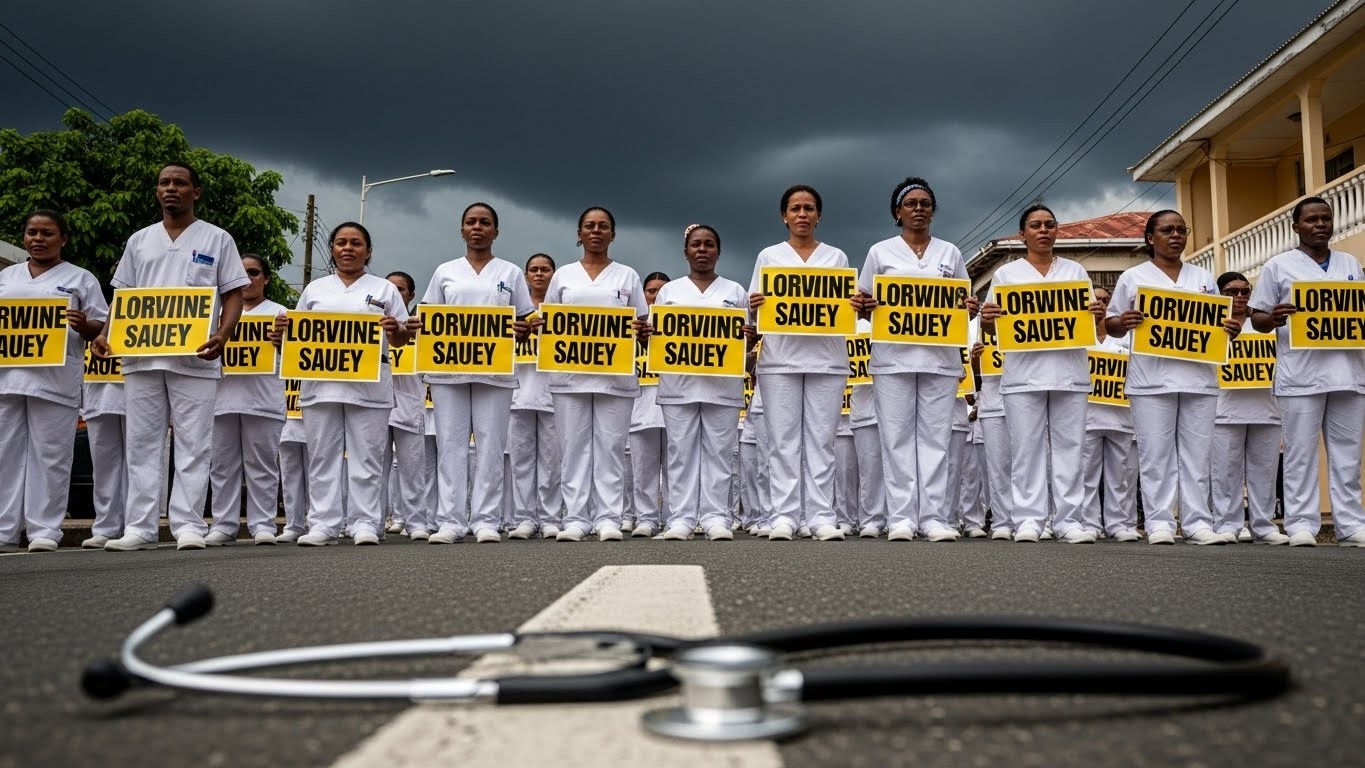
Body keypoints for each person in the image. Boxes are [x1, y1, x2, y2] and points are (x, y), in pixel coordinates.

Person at [94, 163, 249, 551]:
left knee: (194, 444)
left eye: (180, 183)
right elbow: (123, 296)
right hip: (142, 357)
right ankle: (140, 528)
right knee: (142, 444)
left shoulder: (217, 238)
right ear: (156, 191)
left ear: (195, 192)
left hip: (195, 359)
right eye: (164, 183)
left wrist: (223, 334)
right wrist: (105, 333)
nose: (171, 188)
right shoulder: (139, 240)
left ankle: (188, 525)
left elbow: (233, 293)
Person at [855, 177, 978, 542]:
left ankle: (934, 518)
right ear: (898, 212)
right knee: (896, 440)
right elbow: (862, 304)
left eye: (925, 204)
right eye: (911, 204)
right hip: (893, 361)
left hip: (939, 361)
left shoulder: (950, 253)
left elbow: (963, 303)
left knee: (935, 440)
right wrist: (866, 305)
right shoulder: (880, 252)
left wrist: (969, 308)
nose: (919, 209)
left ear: (933, 211)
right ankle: (902, 518)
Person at [1107, 210, 1239, 545]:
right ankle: (1160, 523)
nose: (1176, 235)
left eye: (1181, 229)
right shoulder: (1132, 278)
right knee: (1156, 455)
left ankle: (1197, 523)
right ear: (1151, 238)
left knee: (1198, 457)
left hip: (1199, 380)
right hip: (1151, 381)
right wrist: (1124, 321)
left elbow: (1217, 325)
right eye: (1167, 230)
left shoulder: (1204, 277)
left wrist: (1230, 329)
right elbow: (1111, 324)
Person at [278, 222, 410, 546]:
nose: (348, 248)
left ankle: (365, 523)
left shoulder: (385, 289)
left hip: (369, 388)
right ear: (332, 249)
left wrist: (395, 330)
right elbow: (294, 339)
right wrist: (280, 334)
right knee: (322, 457)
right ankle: (323, 524)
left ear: (368, 251)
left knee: (367, 458)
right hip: (321, 387)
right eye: (341, 243)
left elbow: (402, 338)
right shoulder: (315, 290)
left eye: (355, 243)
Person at [980, 205, 1105, 543]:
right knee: (1026, 451)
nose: (1043, 230)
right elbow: (991, 329)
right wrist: (988, 320)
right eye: (1035, 225)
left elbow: (1090, 323)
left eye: (1050, 224)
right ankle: (1029, 520)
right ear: (1023, 234)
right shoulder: (1007, 275)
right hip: (1023, 376)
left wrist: (1096, 313)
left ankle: (1069, 521)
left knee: (1070, 449)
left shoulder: (1075, 271)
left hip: (1069, 373)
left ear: (1057, 230)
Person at [1249, 197, 1365, 547]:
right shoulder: (1278, 266)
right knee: (1300, 453)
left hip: (1349, 373)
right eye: (1312, 219)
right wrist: (1274, 318)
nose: (1320, 224)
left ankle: (1351, 524)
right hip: (1300, 376)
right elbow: (1258, 318)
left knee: (1348, 455)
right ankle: (1301, 523)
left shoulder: (1350, 264)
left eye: (1325, 218)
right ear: (1296, 226)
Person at [416, 203, 534, 544]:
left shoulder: (511, 272)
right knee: (450, 447)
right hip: (448, 373)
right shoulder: (445, 272)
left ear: (496, 231)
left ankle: (486, 520)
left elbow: (524, 318)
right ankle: (450, 521)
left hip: (494, 374)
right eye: (471, 222)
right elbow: (429, 316)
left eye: (485, 222)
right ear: (462, 229)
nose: (477, 227)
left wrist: (523, 330)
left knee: (491, 446)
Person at [749, 185, 853, 542]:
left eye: (809, 208)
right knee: (783, 442)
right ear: (784, 216)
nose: (802, 214)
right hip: (780, 361)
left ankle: (821, 515)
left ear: (818, 215)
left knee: (821, 441)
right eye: (795, 208)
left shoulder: (836, 257)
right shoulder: (769, 256)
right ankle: (784, 515)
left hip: (827, 361)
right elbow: (755, 312)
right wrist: (756, 303)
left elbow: (843, 305)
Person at [0, 210, 108, 553]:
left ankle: (44, 529)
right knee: (5, 455)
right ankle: (4, 531)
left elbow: (102, 327)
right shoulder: (6, 277)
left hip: (55, 383)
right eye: (32, 232)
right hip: (7, 381)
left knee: (52, 456)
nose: (38, 239)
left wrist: (84, 325)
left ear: (63, 239)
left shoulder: (81, 278)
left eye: (47, 233)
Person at [544, 207, 648, 542]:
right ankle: (575, 518)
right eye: (589, 226)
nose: (596, 231)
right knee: (573, 448)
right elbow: (550, 322)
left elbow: (642, 323)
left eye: (603, 226)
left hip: (614, 380)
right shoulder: (563, 276)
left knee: (610, 449)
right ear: (579, 234)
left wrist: (641, 331)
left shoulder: (627, 276)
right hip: (569, 378)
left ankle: (608, 518)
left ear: (612, 234)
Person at [204, 255, 286, 546]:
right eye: (241, 272)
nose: (247, 278)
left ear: (266, 278)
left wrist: (284, 342)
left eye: (254, 272)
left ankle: (263, 525)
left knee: (262, 467)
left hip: (263, 402)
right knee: (221, 467)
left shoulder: (281, 314)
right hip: (220, 400)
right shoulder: (214, 313)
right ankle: (223, 525)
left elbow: (300, 356)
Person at [1211, 271, 1286, 545]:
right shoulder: (1210, 324)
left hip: (1267, 409)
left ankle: (1263, 525)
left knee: (1265, 473)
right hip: (1223, 411)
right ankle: (1227, 525)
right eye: (1232, 291)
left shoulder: (1265, 325)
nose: (1240, 296)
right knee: (1225, 474)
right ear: (1220, 294)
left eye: (1245, 291)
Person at [507, 253, 563, 539]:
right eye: (533, 270)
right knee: (521, 461)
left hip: (554, 394)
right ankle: (524, 517)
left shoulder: (564, 311)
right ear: (526, 275)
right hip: (518, 395)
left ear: (554, 274)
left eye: (545, 269)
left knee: (552, 462)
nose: (539, 274)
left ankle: (551, 517)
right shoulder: (511, 311)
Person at [1083, 286, 1139, 542]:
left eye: (1106, 300)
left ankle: (1119, 523)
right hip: (1087, 417)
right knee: (1086, 475)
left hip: (1122, 417)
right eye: (1097, 299)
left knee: (1121, 476)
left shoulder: (1126, 337)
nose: (1102, 303)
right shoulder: (1078, 335)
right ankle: (1089, 523)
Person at [383, 270, 430, 541]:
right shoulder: (371, 322)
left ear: (411, 295)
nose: (394, 293)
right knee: (376, 468)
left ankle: (416, 522)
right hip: (377, 401)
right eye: (389, 288)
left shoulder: (421, 325)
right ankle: (373, 521)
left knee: (412, 468)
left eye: (400, 289)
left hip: (409, 402)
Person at [629, 271, 670, 538]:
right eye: (651, 291)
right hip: (640, 409)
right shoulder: (631, 328)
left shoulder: (679, 326)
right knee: (643, 470)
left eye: (661, 291)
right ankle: (645, 518)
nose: (655, 295)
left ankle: (673, 517)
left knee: (676, 470)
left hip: (672, 406)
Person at [79, 341, 127, 549]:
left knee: (138, 460)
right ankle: (106, 526)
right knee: (102, 462)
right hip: (96, 378)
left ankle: (135, 524)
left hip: (135, 378)